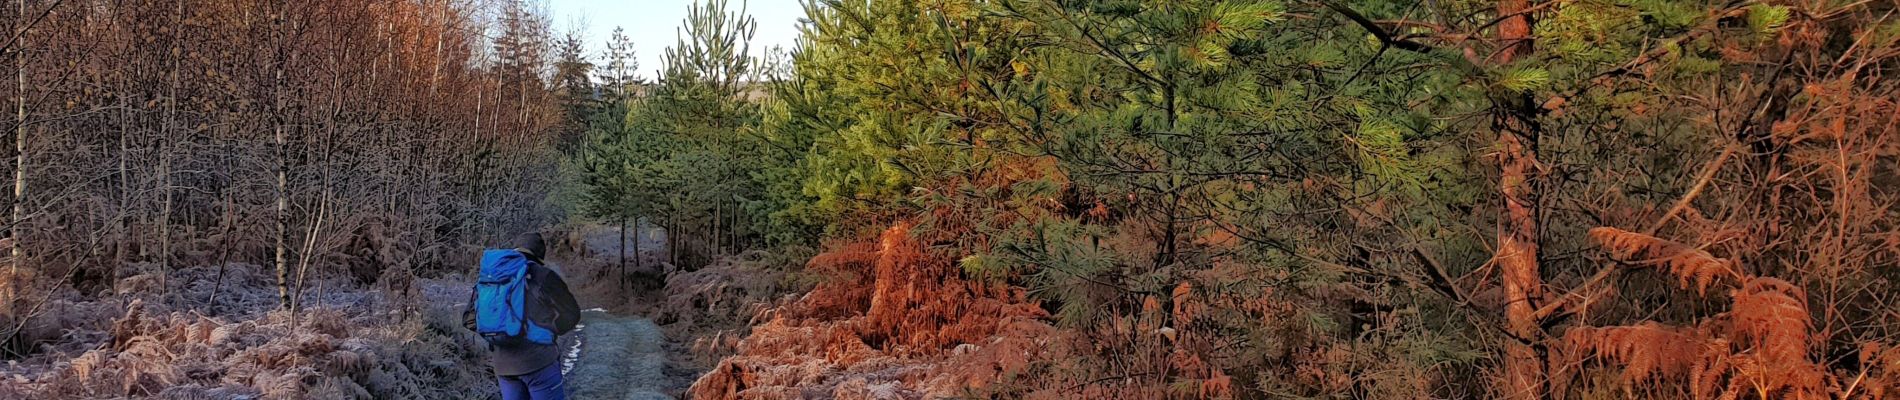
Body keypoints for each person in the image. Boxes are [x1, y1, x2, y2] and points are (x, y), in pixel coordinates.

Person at [463, 232, 581, 400]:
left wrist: (499, 332)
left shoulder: (492, 276)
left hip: (503, 365)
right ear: (540, 254)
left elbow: (469, 319)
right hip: (540, 362)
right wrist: (549, 331)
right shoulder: (543, 275)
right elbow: (572, 314)